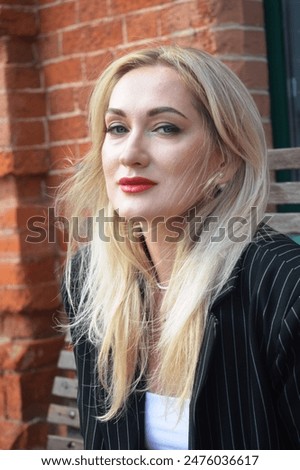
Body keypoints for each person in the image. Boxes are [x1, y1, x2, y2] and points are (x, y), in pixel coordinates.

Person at [58, 45, 300, 450]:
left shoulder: (283, 288)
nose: (130, 154)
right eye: (117, 128)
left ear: (224, 158)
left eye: (165, 128)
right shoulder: (90, 278)